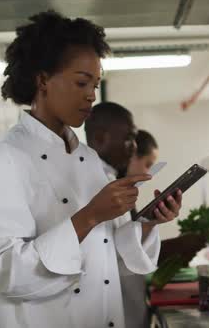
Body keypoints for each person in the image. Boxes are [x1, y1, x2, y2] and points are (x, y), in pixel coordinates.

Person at [0, 10, 183, 328]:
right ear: (42, 80)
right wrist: (90, 216)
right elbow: (5, 272)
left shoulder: (92, 162)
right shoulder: (4, 161)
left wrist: (149, 222)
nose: (92, 96)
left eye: (96, 84)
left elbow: (111, 254)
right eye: (82, 82)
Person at [86, 108, 163, 327]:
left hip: (127, 302)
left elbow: (121, 244)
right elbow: (108, 254)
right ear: (100, 138)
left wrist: (151, 222)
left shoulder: (110, 180)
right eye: (129, 138)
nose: (134, 146)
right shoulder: (93, 185)